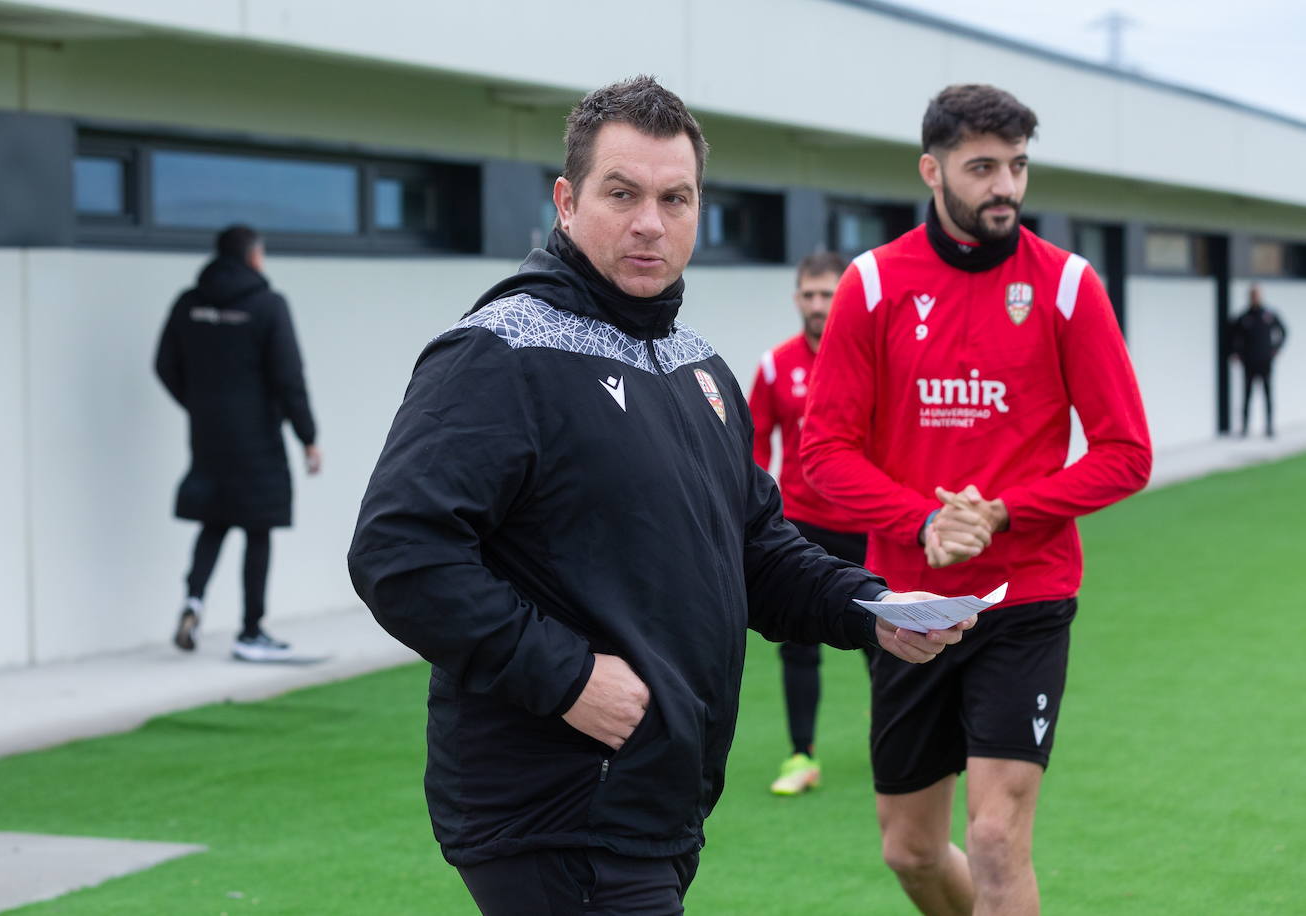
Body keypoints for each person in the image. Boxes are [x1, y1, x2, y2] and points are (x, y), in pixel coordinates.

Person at [348, 76, 973, 915]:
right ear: (566, 203)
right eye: (623, 193)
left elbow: (754, 546)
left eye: (674, 198)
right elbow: (399, 553)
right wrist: (566, 677)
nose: (651, 222)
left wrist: (873, 606)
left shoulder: (697, 368)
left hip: (656, 796)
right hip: (557, 805)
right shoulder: (498, 355)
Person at [801, 84, 1152, 916]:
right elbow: (823, 454)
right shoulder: (874, 283)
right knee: (912, 851)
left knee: (995, 840)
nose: (1006, 186)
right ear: (933, 169)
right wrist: (923, 521)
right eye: (983, 167)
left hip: (1026, 594)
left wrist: (1001, 513)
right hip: (910, 607)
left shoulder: (1068, 287)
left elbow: (1126, 453)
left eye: (1018, 167)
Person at [155, 224, 322, 663]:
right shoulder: (268, 305)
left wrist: (197, 405)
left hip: (208, 434)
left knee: (214, 520)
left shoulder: (189, 303)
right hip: (258, 437)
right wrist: (308, 437)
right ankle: (251, 631)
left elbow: (164, 363)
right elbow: (289, 377)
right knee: (258, 527)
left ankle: (193, 601)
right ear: (252, 257)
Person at [748, 250, 869, 796]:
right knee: (798, 644)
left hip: (868, 525)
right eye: (811, 294)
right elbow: (752, 443)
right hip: (800, 527)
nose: (819, 304)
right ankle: (801, 756)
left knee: (885, 636)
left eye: (829, 293)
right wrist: (753, 508)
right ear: (798, 299)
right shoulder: (776, 365)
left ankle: (895, 742)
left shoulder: (871, 360)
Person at [1229, 284, 1288, 437]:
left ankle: (1269, 427)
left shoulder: (1268, 314)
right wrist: (1236, 353)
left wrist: (1276, 348)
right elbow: (1233, 337)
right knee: (1247, 396)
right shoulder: (1244, 317)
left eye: (1257, 294)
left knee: (1268, 394)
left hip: (1265, 361)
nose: (1255, 297)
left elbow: (1283, 331)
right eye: (1252, 295)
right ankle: (1245, 428)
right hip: (1249, 363)